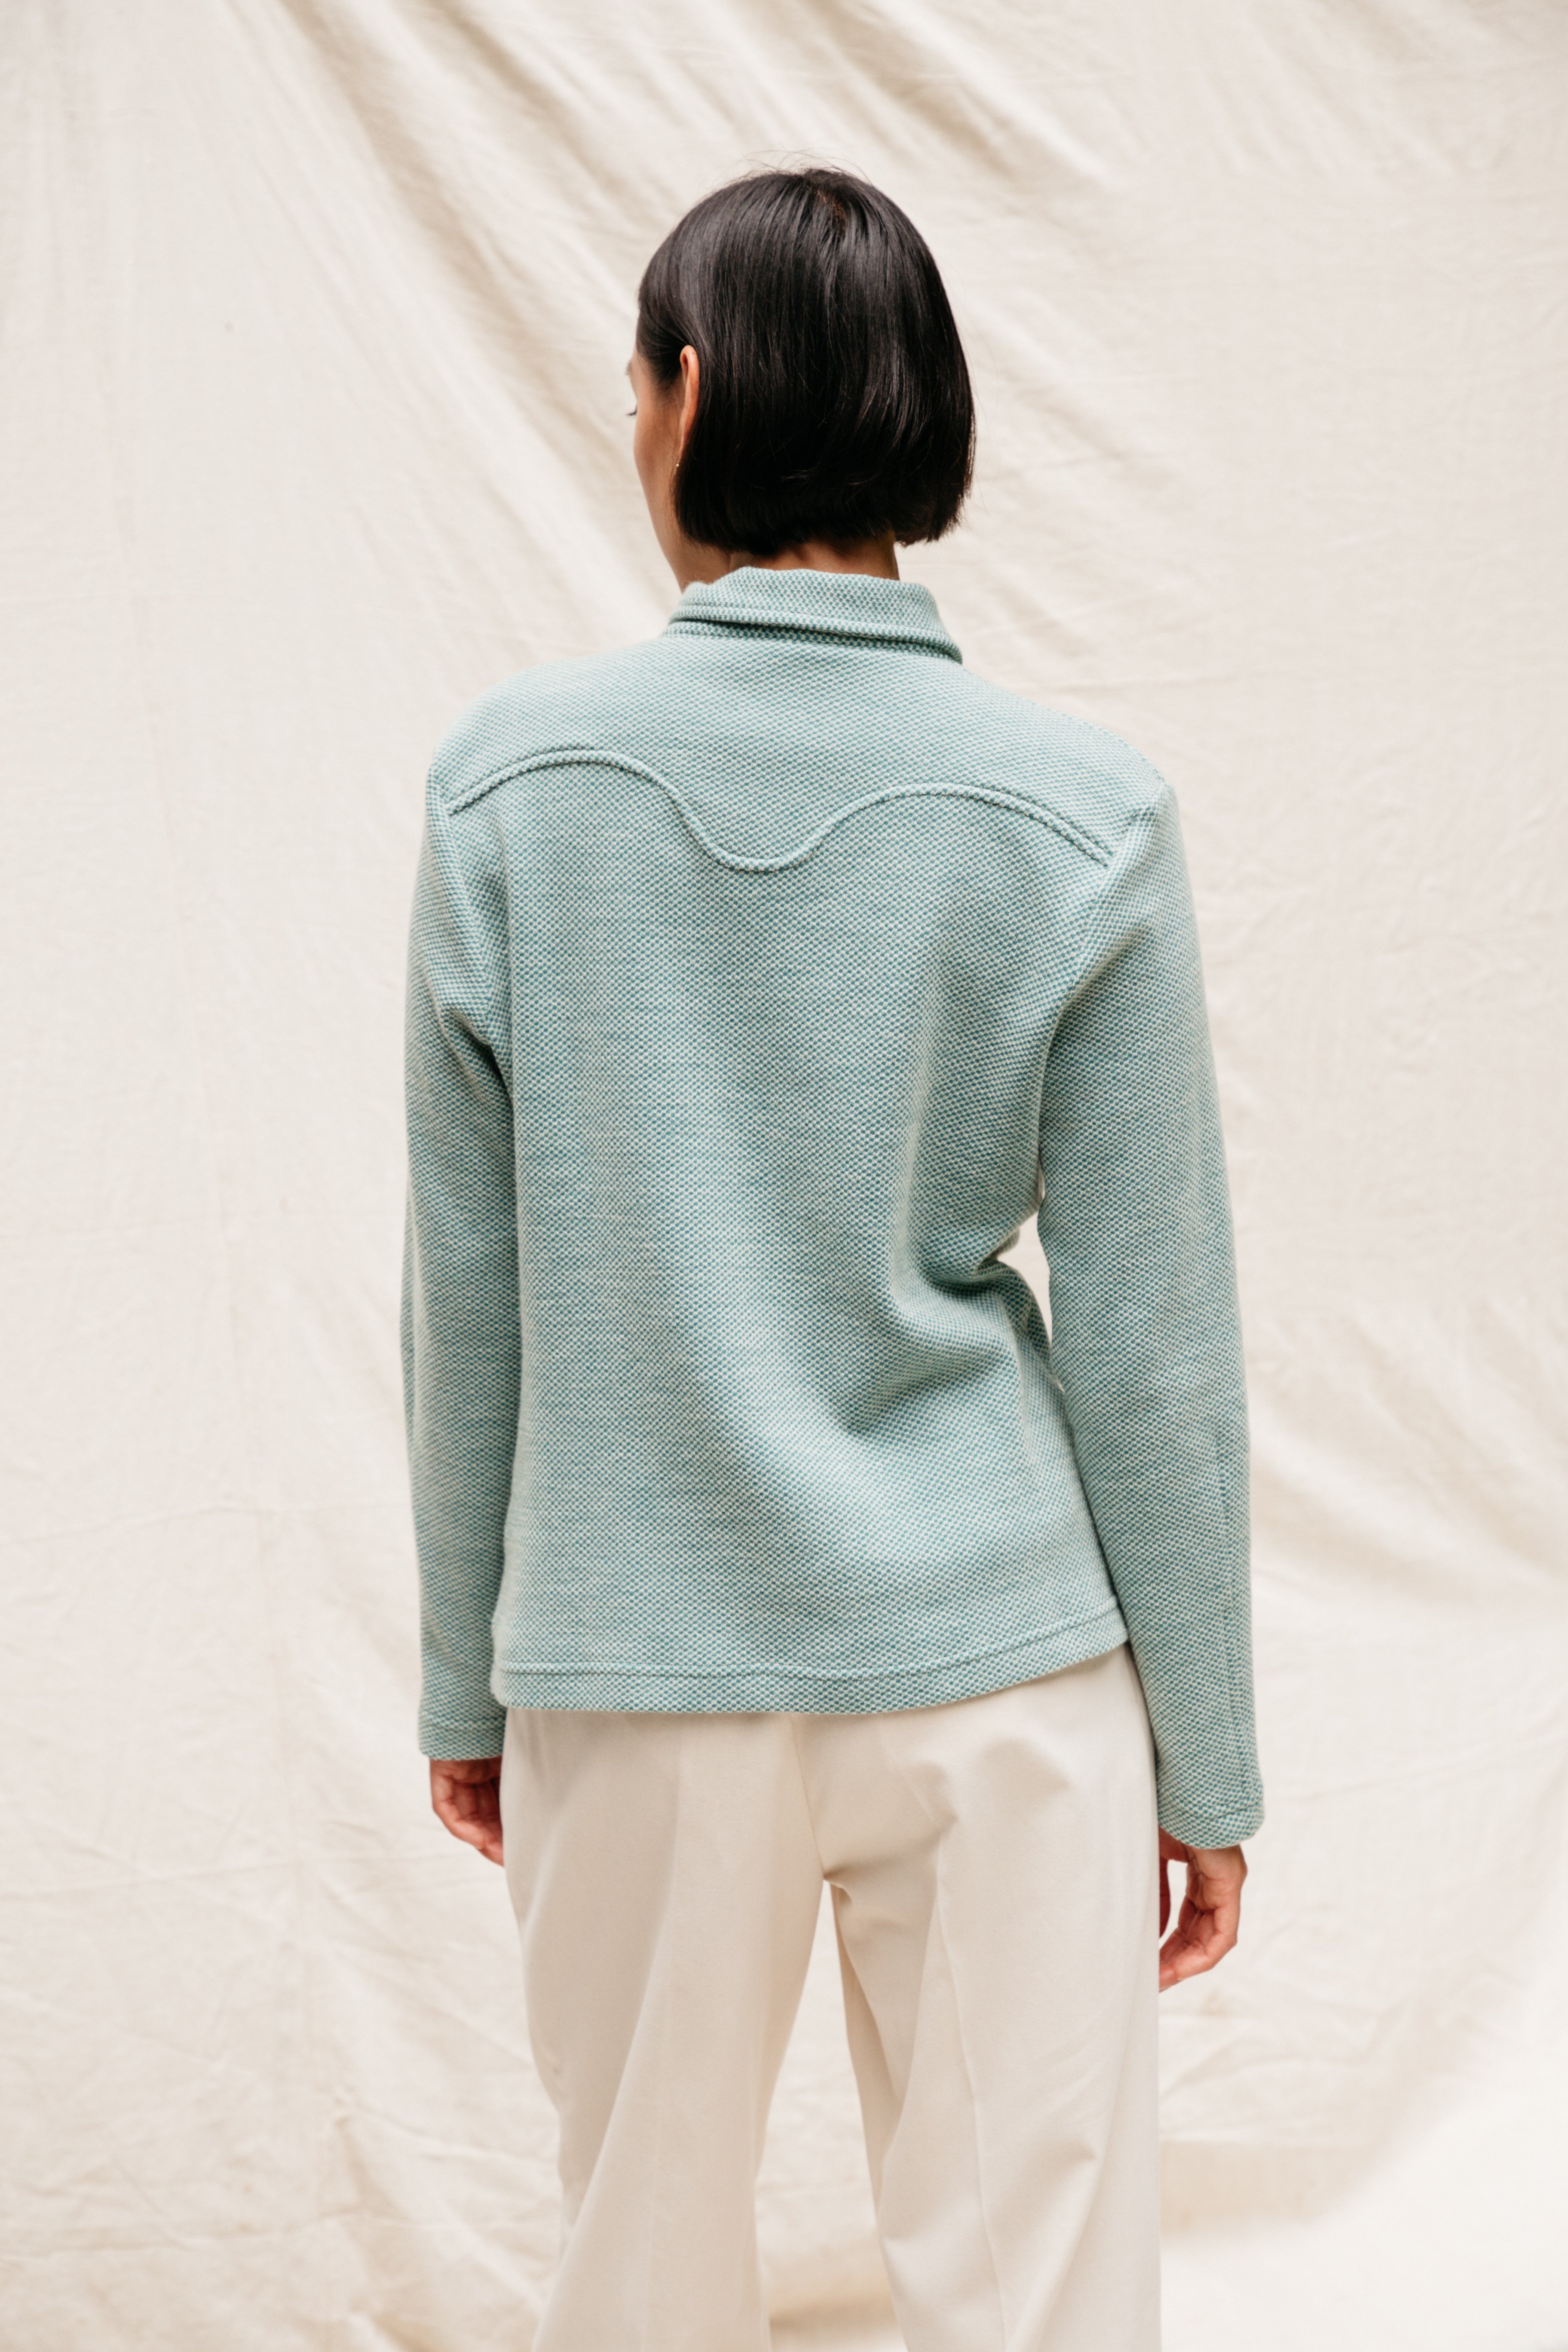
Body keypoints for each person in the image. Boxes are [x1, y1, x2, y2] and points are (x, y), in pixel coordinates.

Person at [402, 165, 1262, 2352]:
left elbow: (469, 1298)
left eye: (633, 391)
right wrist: (1209, 1762)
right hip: (1000, 1662)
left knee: (636, 2284)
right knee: (1042, 2298)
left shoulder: (511, 790)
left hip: (630, 1662)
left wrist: (465, 1678)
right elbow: (1154, 1340)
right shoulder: (1081, 809)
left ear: (688, 395)